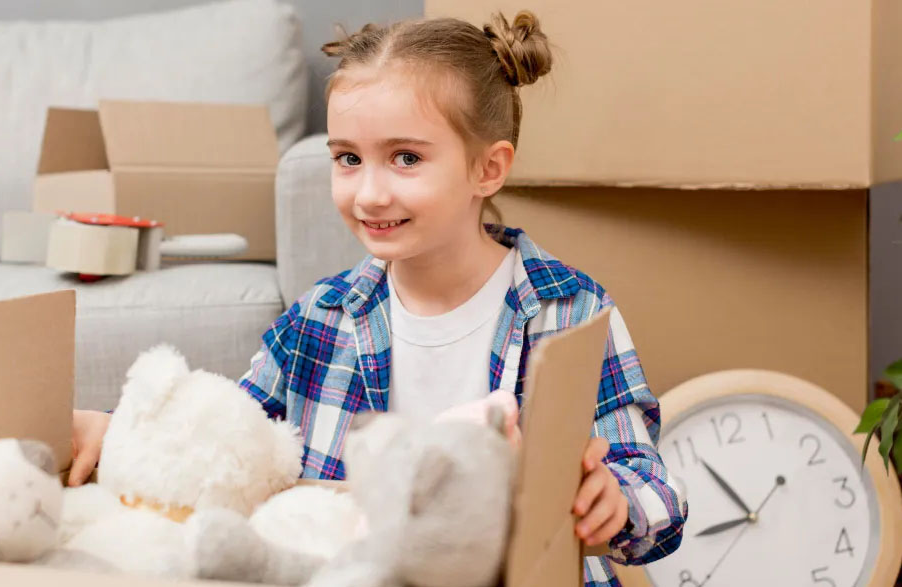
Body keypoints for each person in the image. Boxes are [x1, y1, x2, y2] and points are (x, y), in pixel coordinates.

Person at [71, 10, 686, 584]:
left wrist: (613, 498)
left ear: (488, 169)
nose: (369, 193)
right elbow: (229, 445)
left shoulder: (568, 311)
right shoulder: (320, 317)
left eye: (405, 158)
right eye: (347, 158)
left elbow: (658, 495)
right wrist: (122, 431)